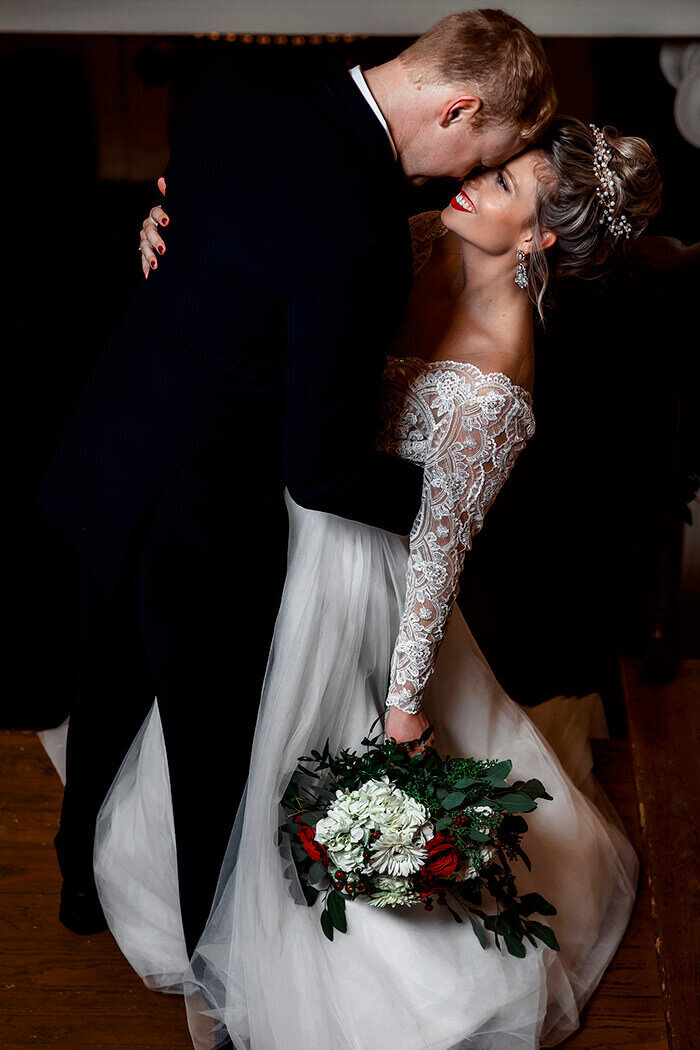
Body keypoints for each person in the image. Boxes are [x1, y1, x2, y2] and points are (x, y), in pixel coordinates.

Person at [95, 117, 661, 1050]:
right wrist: (176, 233)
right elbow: (286, 274)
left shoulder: (491, 389)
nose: (471, 182)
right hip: (270, 507)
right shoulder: (422, 234)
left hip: (358, 580)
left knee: (298, 762)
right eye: (482, 164)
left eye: (503, 184)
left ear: (537, 239)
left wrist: (401, 712)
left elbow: (438, 557)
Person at [39, 10, 556, 953]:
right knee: (212, 760)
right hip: (201, 509)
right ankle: (212, 975)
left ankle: (81, 877)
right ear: (459, 107)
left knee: (105, 682)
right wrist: (443, 504)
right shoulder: (357, 235)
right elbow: (319, 472)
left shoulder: (239, 84)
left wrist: (162, 221)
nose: (468, 176)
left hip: (115, 431)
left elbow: (195, 214)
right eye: (485, 152)